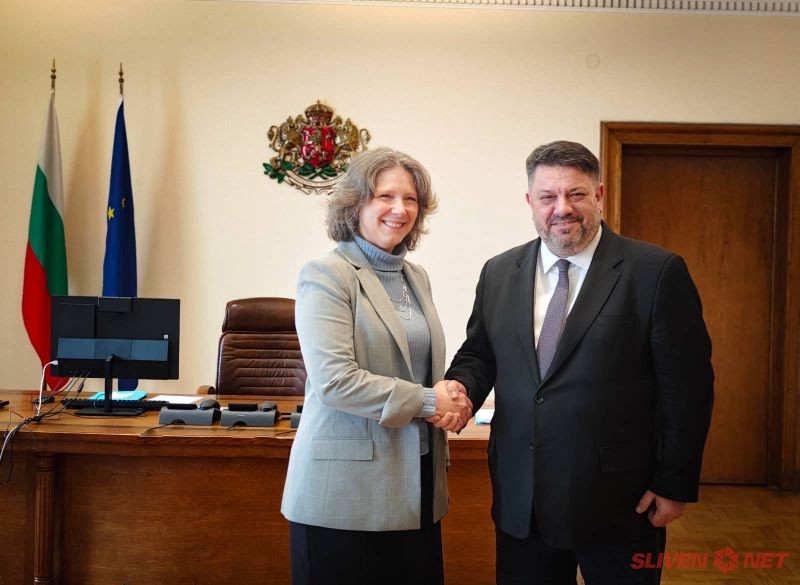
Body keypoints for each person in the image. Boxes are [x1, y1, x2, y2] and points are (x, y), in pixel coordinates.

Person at [445, 141, 714, 584]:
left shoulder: (655, 271)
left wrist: (674, 482)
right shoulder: (499, 272)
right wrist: (460, 388)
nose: (562, 208)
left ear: (599, 195)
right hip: (523, 500)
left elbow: (687, 389)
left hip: (621, 504)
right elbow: (480, 354)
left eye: (576, 194)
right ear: (530, 202)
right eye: (548, 197)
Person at [282, 147, 472, 585]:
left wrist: (448, 397)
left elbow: (419, 369)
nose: (400, 209)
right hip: (344, 494)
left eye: (410, 199)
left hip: (417, 486)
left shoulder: (415, 277)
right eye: (385, 196)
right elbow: (335, 381)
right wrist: (430, 401)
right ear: (355, 204)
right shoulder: (327, 274)